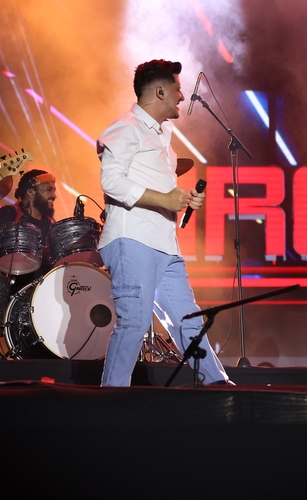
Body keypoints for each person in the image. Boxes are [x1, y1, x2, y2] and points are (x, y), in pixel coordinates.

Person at [96, 59, 232, 386]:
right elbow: (111, 182)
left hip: (165, 245)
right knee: (134, 323)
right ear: (159, 91)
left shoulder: (164, 134)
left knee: (189, 322)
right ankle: (109, 403)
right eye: (177, 89)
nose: (182, 96)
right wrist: (166, 199)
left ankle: (219, 388)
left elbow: (163, 191)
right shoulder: (125, 127)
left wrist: (183, 198)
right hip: (132, 239)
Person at [0, 169, 58, 307]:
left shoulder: (51, 225)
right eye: (49, 190)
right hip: (7, 286)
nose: (54, 195)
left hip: (38, 293)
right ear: (31, 192)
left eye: (54, 191)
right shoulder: (10, 213)